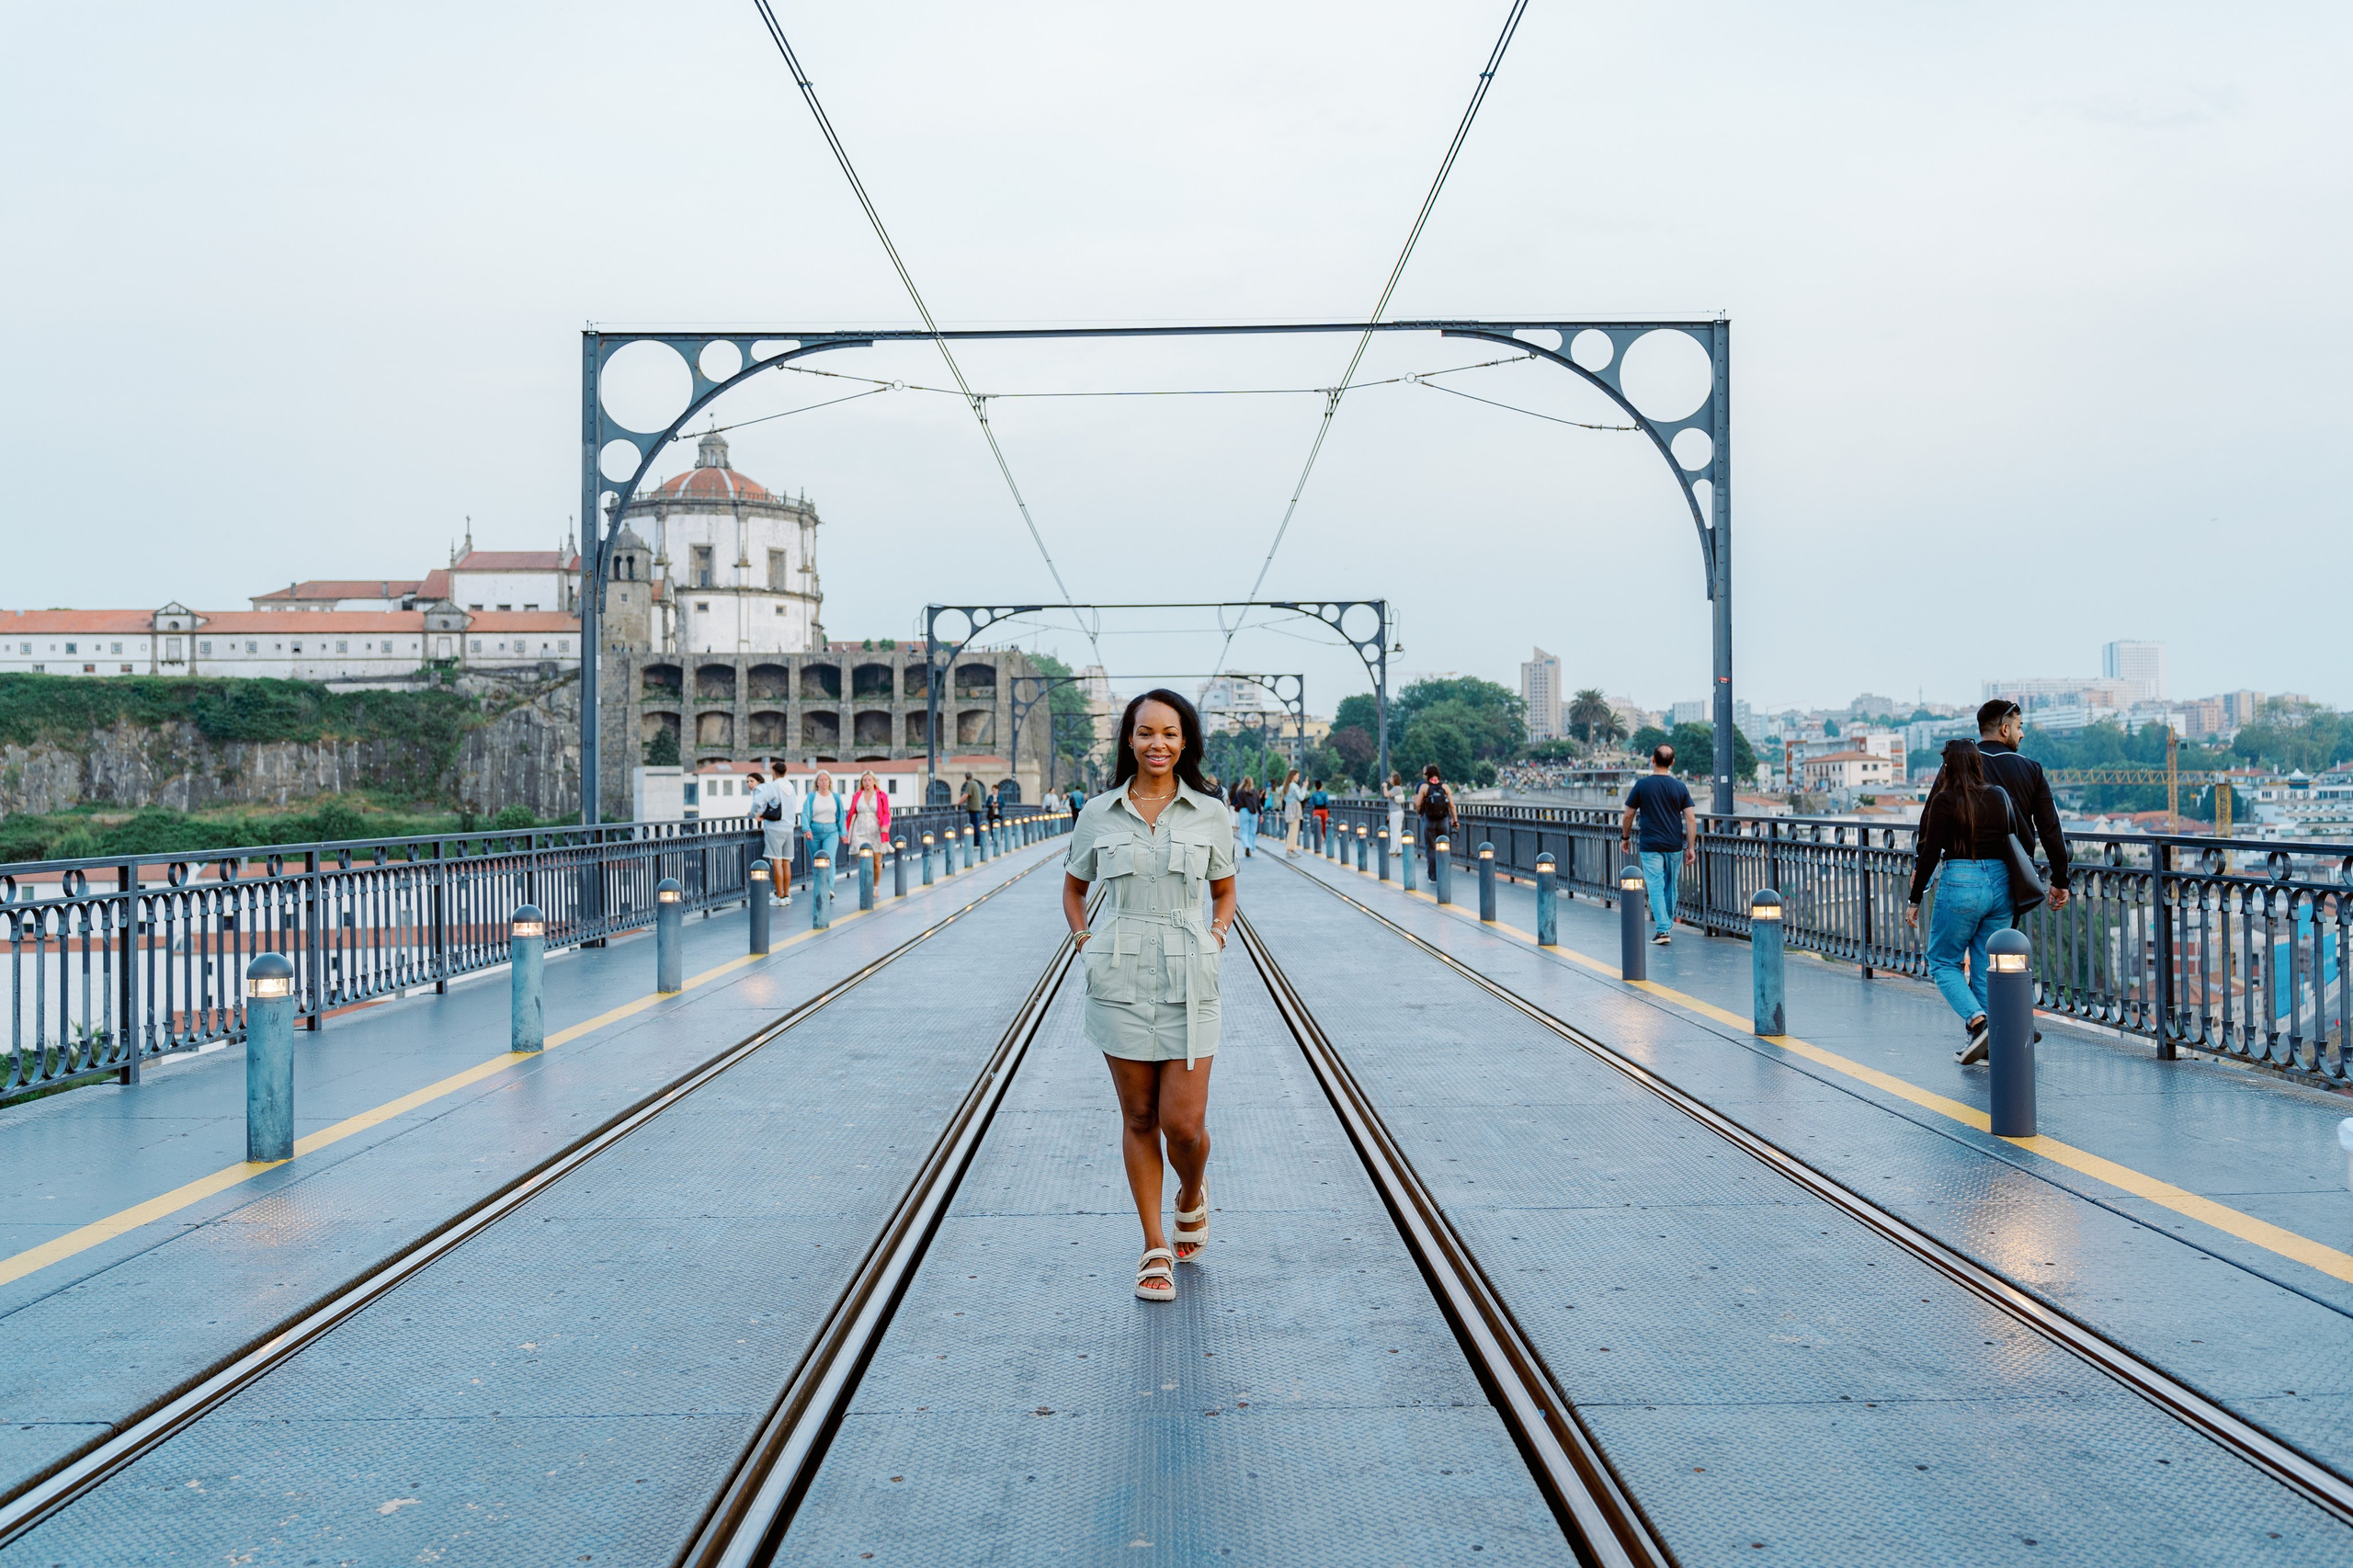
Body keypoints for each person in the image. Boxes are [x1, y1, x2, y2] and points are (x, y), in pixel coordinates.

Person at [1062, 689, 1236, 1304]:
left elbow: (1225, 891)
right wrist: (1087, 942)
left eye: (1169, 733)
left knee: (1183, 1125)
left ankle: (1192, 1195)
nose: (1156, 744)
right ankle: (1153, 1246)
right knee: (1139, 1118)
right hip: (1120, 976)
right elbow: (1074, 888)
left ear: (1185, 741)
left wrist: (1215, 938)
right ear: (1128, 741)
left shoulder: (1212, 814)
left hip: (1192, 977)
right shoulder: (1099, 813)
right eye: (1144, 733)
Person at [1905, 738, 2029, 1063]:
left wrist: (1915, 899)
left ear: (1948, 766)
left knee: (1943, 961)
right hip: (2002, 884)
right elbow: (2021, 838)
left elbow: (1930, 852)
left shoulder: (1945, 801)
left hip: (1962, 879)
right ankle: (1992, 1043)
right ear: (1977, 763)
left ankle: (1979, 1022)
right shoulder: (1998, 795)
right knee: (1985, 962)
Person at [1975, 699, 2073, 914]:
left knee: (1946, 948)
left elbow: (1933, 815)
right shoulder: (2031, 769)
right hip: (2010, 874)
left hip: (1962, 869)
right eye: (2019, 727)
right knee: (1999, 945)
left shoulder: (1957, 764)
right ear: (2005, 729)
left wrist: (1921, 863)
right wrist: (2060, 878)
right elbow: (2050, 828)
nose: (2022, 734)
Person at [1620, 744, 1697, 945]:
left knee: (1655, 885)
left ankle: (1663, 930)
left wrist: (1625, 837)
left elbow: (1628, 814)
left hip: (1650, 844)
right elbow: (1690, 819)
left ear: (1652, 760)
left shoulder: (1642, 785)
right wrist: (1691, 847)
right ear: (1672, 762)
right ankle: (1666, 925)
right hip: (1673, 844)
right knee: (1670, 887)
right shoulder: (1680, 787)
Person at [746, 764, 799, 907]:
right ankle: (787, 895)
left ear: (773, 772)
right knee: (787, 861)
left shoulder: (773, 786)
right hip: (789, 827)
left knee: (777, 862)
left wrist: (755, 814)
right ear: (786, 772)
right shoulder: (790, 786)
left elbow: (758, 801)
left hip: (775, 827)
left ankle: (779, 895)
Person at [1412, 764, 1458, 881]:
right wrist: (1455, 820)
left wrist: (1420, 812)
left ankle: (1433, 876)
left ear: (1428, 775)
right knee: (1444, 846)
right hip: (1443, 821)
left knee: (1431, 848)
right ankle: (1444, 871)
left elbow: (1417, 804)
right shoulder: (1445, 787)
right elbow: (1452, 805)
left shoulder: (1424, 787)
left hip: (1429, 821)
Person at [801, 768, 843, 881]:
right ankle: (819, 887)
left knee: (829, 859)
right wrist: (807, 829)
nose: (824, 782)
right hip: (814, 832)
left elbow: (841, 815)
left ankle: (829, 888)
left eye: (826, 780)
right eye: (821, 780)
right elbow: (805, 814)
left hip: (831, 832)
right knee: (817, 861)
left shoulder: (835, 797)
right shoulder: (811, 797)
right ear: (817, 783)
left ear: (829, 782)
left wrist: (843, 832)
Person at [847, 769, 891, 858]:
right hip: (859, 830)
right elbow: (851, 813)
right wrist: (846, 831)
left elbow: (886, 813)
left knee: (876, 862)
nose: (867, 782)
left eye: (869, 780)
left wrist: (885, 825)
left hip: (876, 830)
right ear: (862, 782)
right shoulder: (857, 795)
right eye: (865, 780)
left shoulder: (881, 795)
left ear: (874, 781)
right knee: (862, 859)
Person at [1232, 776, 1260, 858]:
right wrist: (1261, 814)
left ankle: (1246, 845)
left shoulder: (1240, 792)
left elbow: (1234, 802)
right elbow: (1258, 804)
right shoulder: (1255, 792)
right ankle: (1250, 847)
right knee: (1252, 831)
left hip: (1243, 811)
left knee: (1244, 831)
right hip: (1254, 812)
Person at [1383, 770, 1408, 861]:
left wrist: (1385, 787)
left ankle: (1393, 849)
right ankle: (1399, 848)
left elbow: (1386, 795)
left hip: (1396, 812)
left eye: (1391, 778)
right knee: (1398, 831)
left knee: (1394, 832)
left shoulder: (1396, 788)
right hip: (1397, 812)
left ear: (1394, 779)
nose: (1390, 779)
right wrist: (1389, 814)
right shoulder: (1398, 788)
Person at [1281, 770, 1306, 857]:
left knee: (1291, 830)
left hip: (1288, 807)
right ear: (1293, 776)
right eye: (1297, 776)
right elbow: (1301, 797)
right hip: (1294, 808)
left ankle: (1291, 849)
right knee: (1294, 830)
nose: (1298, 778)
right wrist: (1304, 787)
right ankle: (1290, 850)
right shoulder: (1294, 786)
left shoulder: (1286, 786)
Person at [960, 771, 986, 843]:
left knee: (974, 825)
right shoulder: (975, 783)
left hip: (973, 808)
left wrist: (959, 803)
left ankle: (976, 841)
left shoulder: (970, 784)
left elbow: (966, 795)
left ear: (966, 778)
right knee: (975, 824)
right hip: (977, 807)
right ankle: (976, 840)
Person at [1308, 778, 1331, 848]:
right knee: (1325, 824)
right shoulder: (1324, 794)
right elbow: (1327, 802)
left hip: (1316, 810)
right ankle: (1325, 836)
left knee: (1317, 824)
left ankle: (1320, 837)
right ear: (1321, 786)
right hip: (1324, 810)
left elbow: (1311, 803)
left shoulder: (1314, 794)